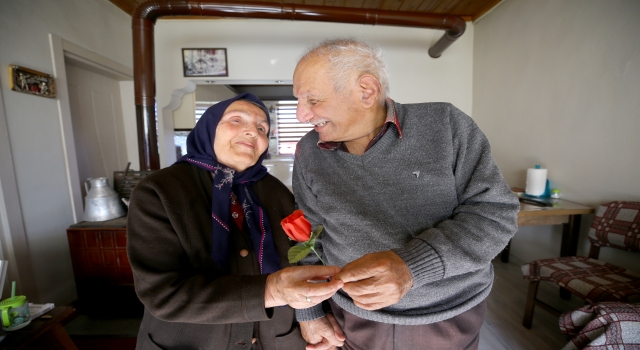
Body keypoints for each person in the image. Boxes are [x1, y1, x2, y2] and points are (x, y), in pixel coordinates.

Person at [291, 39, 520, 350]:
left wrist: (411, 266)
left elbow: (495, 214)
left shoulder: (446, 124)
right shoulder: (307, 151)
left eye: (313, 100)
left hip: (447, 317)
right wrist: (309, 311)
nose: (302, 115)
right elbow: (305, 237)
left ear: (366, 91)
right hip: (351, 319)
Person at [127, 93, 344, 350]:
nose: (252, 131)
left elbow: (304, 259)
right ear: (208, 128)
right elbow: (163, 294)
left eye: (262, 127)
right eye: (237, 120)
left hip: (275, 340)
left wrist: (313, 315)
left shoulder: (275, 192)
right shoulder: (160, 191)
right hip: (191, 342)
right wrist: (272, 291)